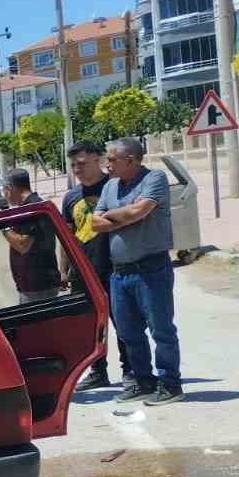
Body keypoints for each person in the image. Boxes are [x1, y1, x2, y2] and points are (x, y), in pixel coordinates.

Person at [91, 137, 182, 406]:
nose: (107, 164)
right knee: (128, 333)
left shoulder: (154, 179)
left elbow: (139, 212)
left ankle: (170, 384)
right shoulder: (109, 186)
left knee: (161, 330)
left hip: (151, 269)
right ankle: (143, 381)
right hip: (120, 273)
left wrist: (116, 216)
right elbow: (95, 223)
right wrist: (126, 213)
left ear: (129, 160)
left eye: (111, 159)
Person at [59, 140, 126, 391]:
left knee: (123, 323)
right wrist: (64, 269)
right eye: (74, 164)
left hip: (115, 268)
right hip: (82, 273)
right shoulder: (70, 197)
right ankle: (98, 372)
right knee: (90, 328)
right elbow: (66, 236)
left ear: (99, 159)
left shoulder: (115, 187)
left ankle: (130, 370)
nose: (77, 168)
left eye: (82, 163)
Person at [0, 169, 60, 304]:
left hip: (38, 285)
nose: (4, 196)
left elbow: (23, 245)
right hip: (33, 285)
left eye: (4, 191)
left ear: (9, 188)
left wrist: (4, 227)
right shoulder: (30, 206)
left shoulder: (33, 208)